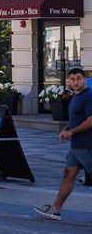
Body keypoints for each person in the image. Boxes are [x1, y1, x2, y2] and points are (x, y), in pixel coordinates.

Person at [35, 67, 92, 220]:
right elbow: (78, 118)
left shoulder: (89, 96)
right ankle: (55, 209)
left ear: (84, 79)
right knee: (69, 175)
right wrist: (67, 128)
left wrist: (72, 132)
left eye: (79, 78)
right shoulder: (75, 96)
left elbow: (91, 121)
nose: (75, 82)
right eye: (72, 79)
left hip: (88, 146)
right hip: (76, 147)